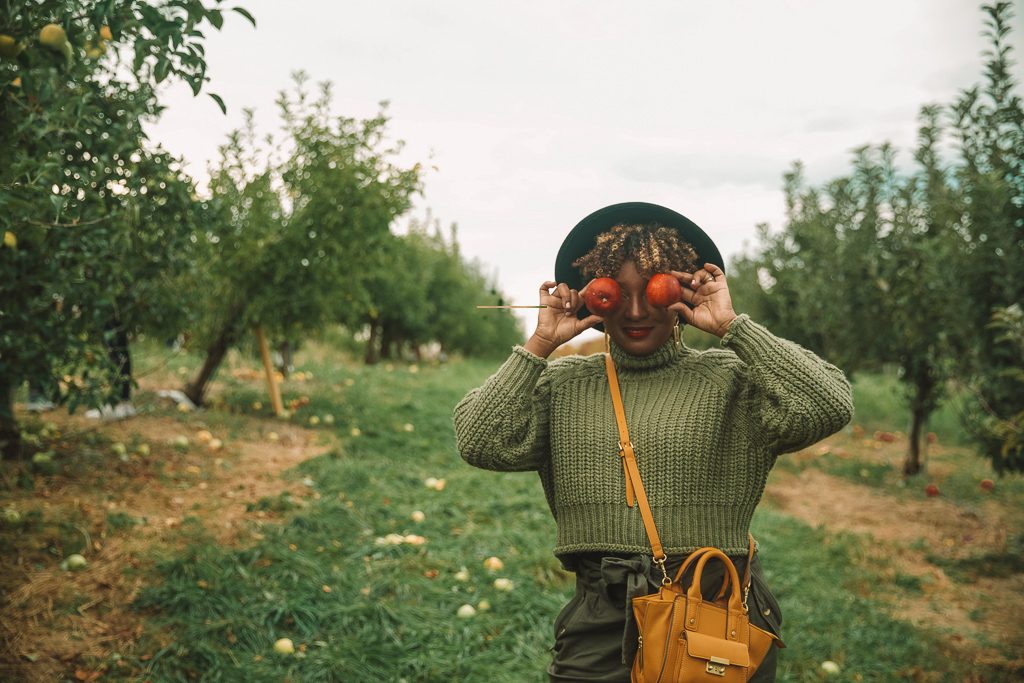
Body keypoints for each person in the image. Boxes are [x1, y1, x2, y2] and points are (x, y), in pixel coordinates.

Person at [452, 202, 854, 682]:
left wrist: (733, 327)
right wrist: (539, 345)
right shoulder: (562, 384)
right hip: (603, 616)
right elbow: (479, 439)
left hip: (714, 608)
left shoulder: (730, 379)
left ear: (683, 293)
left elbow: (829, 403)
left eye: (654, 292)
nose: (637, 310)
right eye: (616, 294)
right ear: (591, 300)